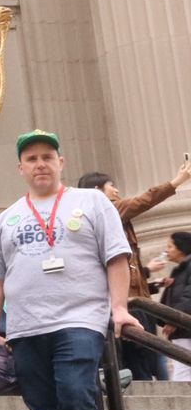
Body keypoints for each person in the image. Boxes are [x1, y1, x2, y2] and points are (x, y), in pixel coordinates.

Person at [0, 130, 137, 410]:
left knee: (75, 394)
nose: (40, 164)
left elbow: (116, 257)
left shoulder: (92, 202)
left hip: (79, 320)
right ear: (20, 168)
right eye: (31, 158)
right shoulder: (8, 217)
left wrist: (119, 308)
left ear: (61, 162)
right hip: (26, 328)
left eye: (47, 156)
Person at [75, 157, 191, 377]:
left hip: (133, 300)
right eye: (111, 185)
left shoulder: (108, 216)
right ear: (97, 190)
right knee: (142, 358)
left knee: (143, 358)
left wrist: (151, 284)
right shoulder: (107, 209)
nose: (116, 190)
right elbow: (143, 200)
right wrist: (177, 181)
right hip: (127, 303)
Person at [159, 234, 191, 381]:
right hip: (183, 328)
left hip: (185, 328)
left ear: (181, 248)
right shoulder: (180, 270)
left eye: (170, 246)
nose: (167, 251)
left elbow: (189, 296)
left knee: (183, 370)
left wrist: (174, 320)